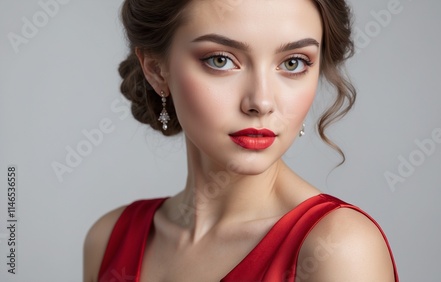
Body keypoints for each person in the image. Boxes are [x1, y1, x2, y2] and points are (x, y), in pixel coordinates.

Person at [84, 0, 399, 281]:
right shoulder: (109, 239)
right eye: (220, 60)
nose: (261, 102)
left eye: (293, 63)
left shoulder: (338, 248)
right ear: (156, 70)